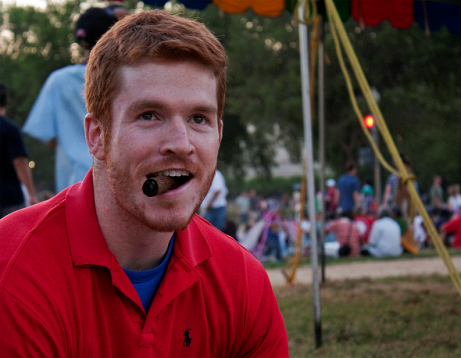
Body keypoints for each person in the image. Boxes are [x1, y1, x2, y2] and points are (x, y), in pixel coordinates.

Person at [0, 10, 289, 357]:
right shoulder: (14, 271)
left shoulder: (242, 282)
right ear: (97, 136)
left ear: (219, 135)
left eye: (199, 118)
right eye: (149, 115)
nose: (181, 144)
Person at [22, 7, 125, 193]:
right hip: (118, 174)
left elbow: (49, 138)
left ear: (81, 40)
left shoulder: (59, 80)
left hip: (73, 179)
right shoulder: (124, 77)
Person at [0, 81, 38, 217]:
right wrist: (32, 195)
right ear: (7, 100)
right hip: (9, 200)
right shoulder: (9, 129)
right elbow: (20, 162)